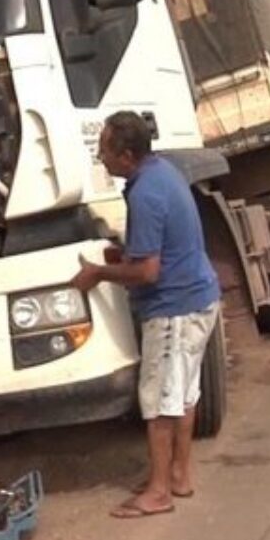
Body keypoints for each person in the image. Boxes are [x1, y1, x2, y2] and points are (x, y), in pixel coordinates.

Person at [70, 111, 221, 519]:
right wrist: (124, 256)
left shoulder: (144, 193)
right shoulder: (161, 173)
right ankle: (178, 475)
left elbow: (149, 272)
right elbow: (158, 249)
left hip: (174, 309)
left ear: (127, 155)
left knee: (156, 402)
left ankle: (158, 493)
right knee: (184, 394)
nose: (101, 158)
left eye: (105, 151)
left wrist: (100, 273)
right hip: (199, 299)